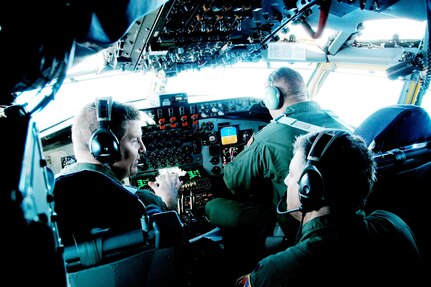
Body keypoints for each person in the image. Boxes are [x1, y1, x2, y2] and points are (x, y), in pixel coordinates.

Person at [204, 67, 352, 276]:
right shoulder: (342, 124)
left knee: (213, 206)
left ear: (273, 97)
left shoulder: (270, 135)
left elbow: (233, 181)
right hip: (345, 217)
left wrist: (249, 150)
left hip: (294, 224)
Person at [235, 129, 424, 286]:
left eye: (292, 175)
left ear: (309, 189)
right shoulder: (392, 225)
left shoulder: (274, 272)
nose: (286, 180)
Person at [53, 99, 182, 246]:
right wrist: (169, 202)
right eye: (135, 140)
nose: (143, 149)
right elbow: (173, 244)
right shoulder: (140, 201)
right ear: (105, 146)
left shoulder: (51, 197)